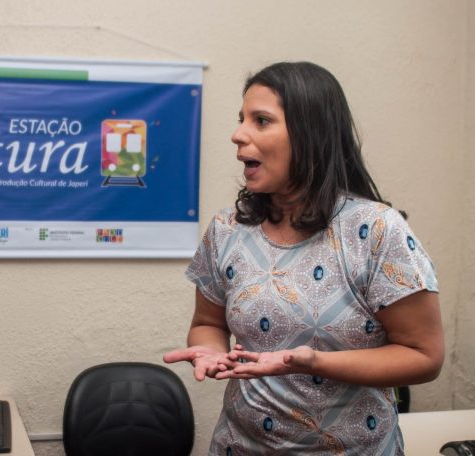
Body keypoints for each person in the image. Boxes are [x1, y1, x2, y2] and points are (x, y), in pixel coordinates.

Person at [163, 62, 444, 455]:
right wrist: (211, 351)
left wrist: (313, 362)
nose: (237, 134)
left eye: (261, 120)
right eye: (242, 119)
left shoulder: (377, 231)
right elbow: (208, 322)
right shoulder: (227, 229)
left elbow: (424, 356)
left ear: (310, 133)